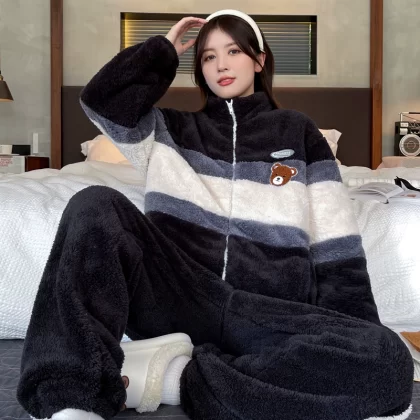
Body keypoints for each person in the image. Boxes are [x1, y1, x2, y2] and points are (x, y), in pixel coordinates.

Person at [17, 9, 414, 420]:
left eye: (234, 51)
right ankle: (70, 399)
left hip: (265, 314)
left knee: (386, 357)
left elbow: (337, 247)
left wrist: (352, 336)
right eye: (208, 56)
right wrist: (161, 52)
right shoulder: (167, 130)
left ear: (259, 60)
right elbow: (102, 101)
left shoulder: (299, 132)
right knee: (93, 203)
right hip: (178, 297)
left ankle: (172, 378)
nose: (221, 64)